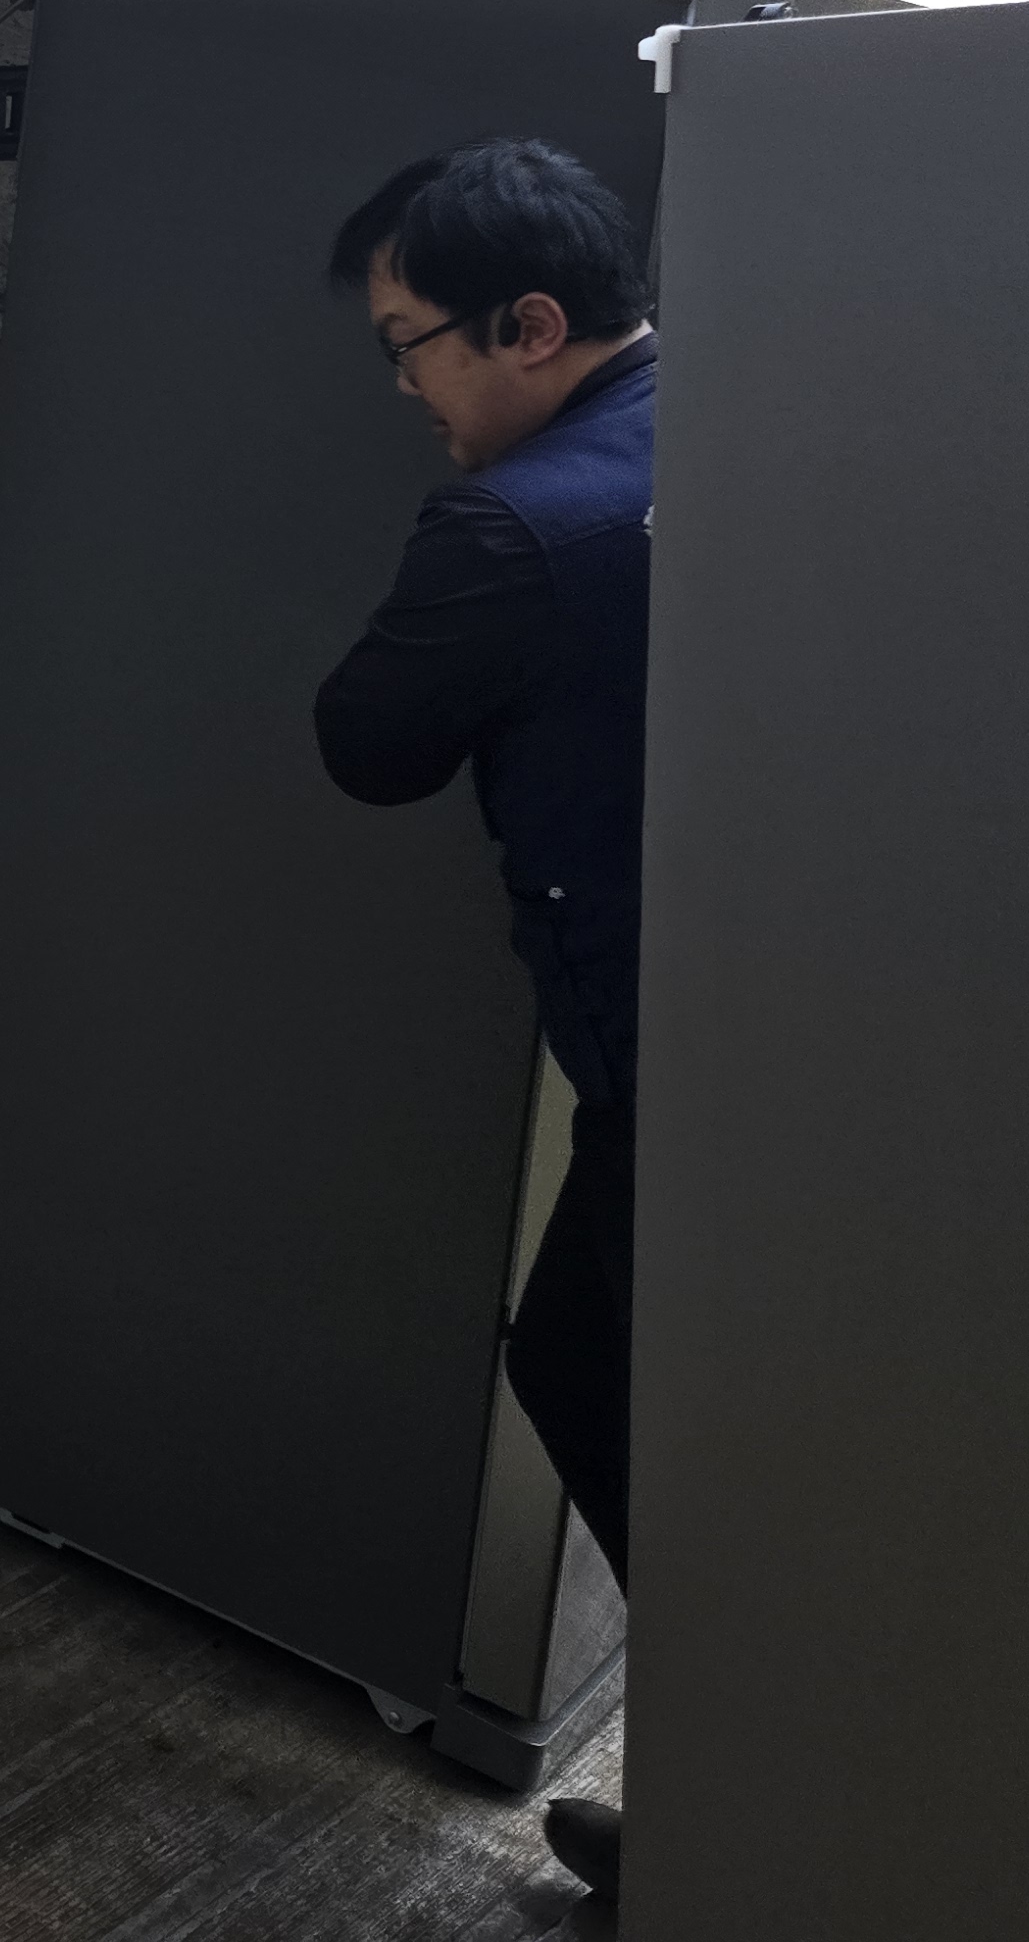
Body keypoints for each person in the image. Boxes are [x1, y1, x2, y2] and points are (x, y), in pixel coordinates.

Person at [314, 136, 653, 1908]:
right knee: (601, 1365)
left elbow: (369, 742)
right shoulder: (745, 419)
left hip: (670, 1074)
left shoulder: (510, 525)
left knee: (612, 1385)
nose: (403, 390)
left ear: (527, 326)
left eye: (409, 346)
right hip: (800, 1045)